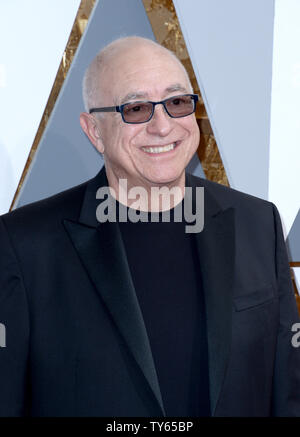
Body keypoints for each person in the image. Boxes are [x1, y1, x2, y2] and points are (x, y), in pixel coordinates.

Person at [0, 36, 299, 417]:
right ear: (94, 131)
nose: (163, 126)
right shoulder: (24, 245)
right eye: (137, 108)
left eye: (176, 103)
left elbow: (287, 396)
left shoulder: (258, 224)